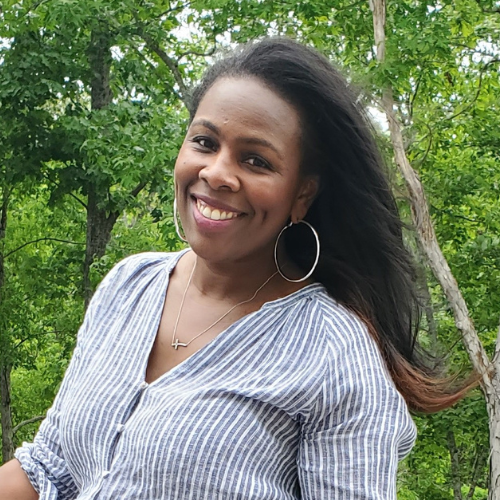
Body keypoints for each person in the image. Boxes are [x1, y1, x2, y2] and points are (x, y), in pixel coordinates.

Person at [0, 37, 471, 499]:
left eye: (255, 160)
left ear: (302, 194)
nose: (217, 173)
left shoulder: (332, 351)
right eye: (204, 142)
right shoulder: (128, 285)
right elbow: (50, 469)